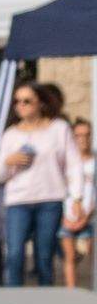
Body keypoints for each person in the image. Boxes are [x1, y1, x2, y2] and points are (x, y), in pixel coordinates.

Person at [0, 80, 75, 287]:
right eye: (17, 101)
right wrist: (9, 161)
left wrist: (76, 198)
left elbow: (73, 165)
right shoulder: (10, 134)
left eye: (27, 101)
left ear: (40, 103)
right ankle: (12, 302)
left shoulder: (59, 129)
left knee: (44, 256)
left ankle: (45, 303)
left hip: (50, 199)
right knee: (14, 254)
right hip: (18, 201)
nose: (21, 105)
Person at [63, 116, 94, 288]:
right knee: (70, 257)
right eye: (78, 135)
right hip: (68, 216)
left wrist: (87, 215)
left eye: (87, 134)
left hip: (90, 216)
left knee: (90, 255)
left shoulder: (93, 162)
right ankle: (70, 291)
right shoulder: (68, 163)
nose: (83, 139)